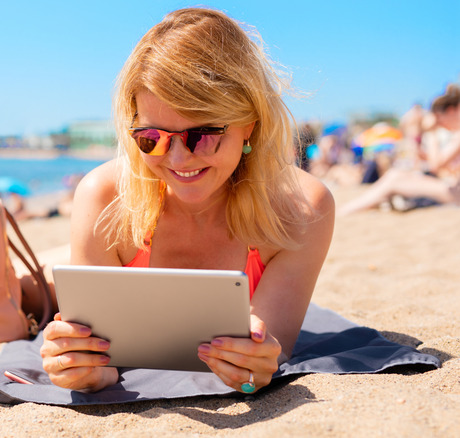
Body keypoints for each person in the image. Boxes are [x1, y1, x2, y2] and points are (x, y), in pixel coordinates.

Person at [38, 8, 334, 395]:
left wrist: (256, 364)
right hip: (35, 292)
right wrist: (83, 368)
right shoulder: (104, 198)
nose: (178, 160)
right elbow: (97, 362)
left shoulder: (302, 211)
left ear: (250, 123)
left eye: (203, 135)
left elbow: (264, 355)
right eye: (152, 138)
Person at [338, 84, 460, 216]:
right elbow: (435, 161)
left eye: (438, 119)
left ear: (452, 111)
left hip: (455, 195)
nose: (439, 123)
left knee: (393, 181)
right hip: (453, 189)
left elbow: (435, 165)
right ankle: (347, 210)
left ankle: (344, 212)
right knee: (395, 175)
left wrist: (431, 132)